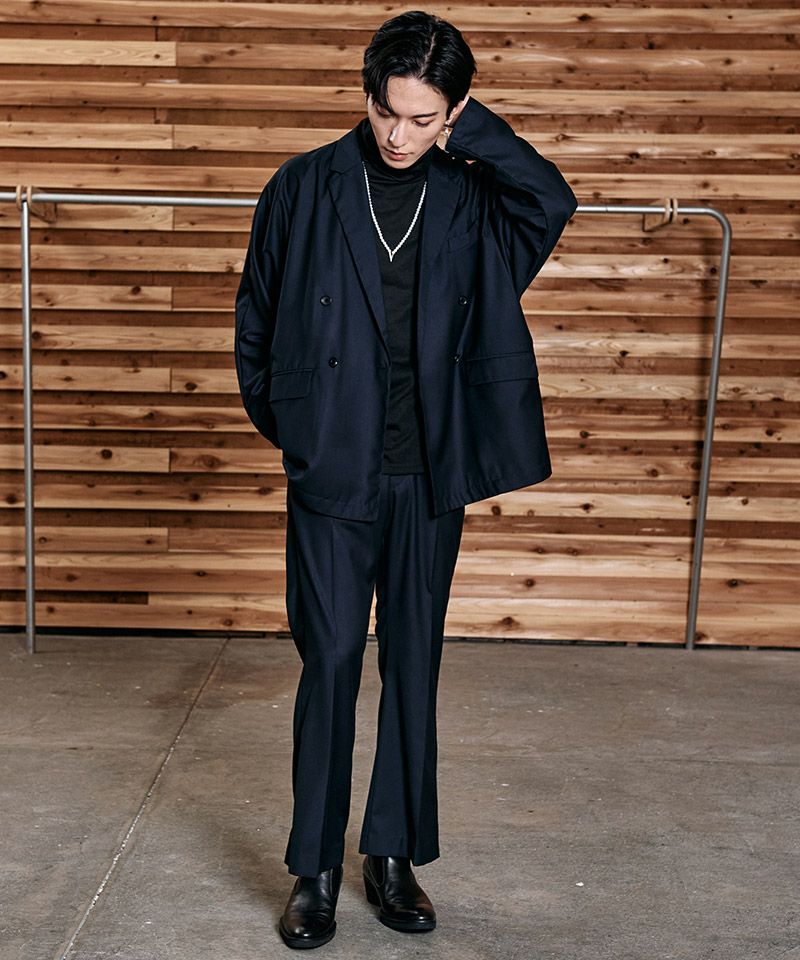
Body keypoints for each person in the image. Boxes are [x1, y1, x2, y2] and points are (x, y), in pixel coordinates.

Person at [234, 10, 578, 949]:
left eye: (423, 118)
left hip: (429, 472)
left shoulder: (472, 200)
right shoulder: (304, 185)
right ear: (367, 96)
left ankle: (391, 857)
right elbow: (255, 321)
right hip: (334, 471)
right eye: (387, 111)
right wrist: (300, 431)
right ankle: (312, 867)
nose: (398, 135)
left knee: (414, 663)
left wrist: (471, 134)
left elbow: (550, 200)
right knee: (331, 660)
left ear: (454, 114)